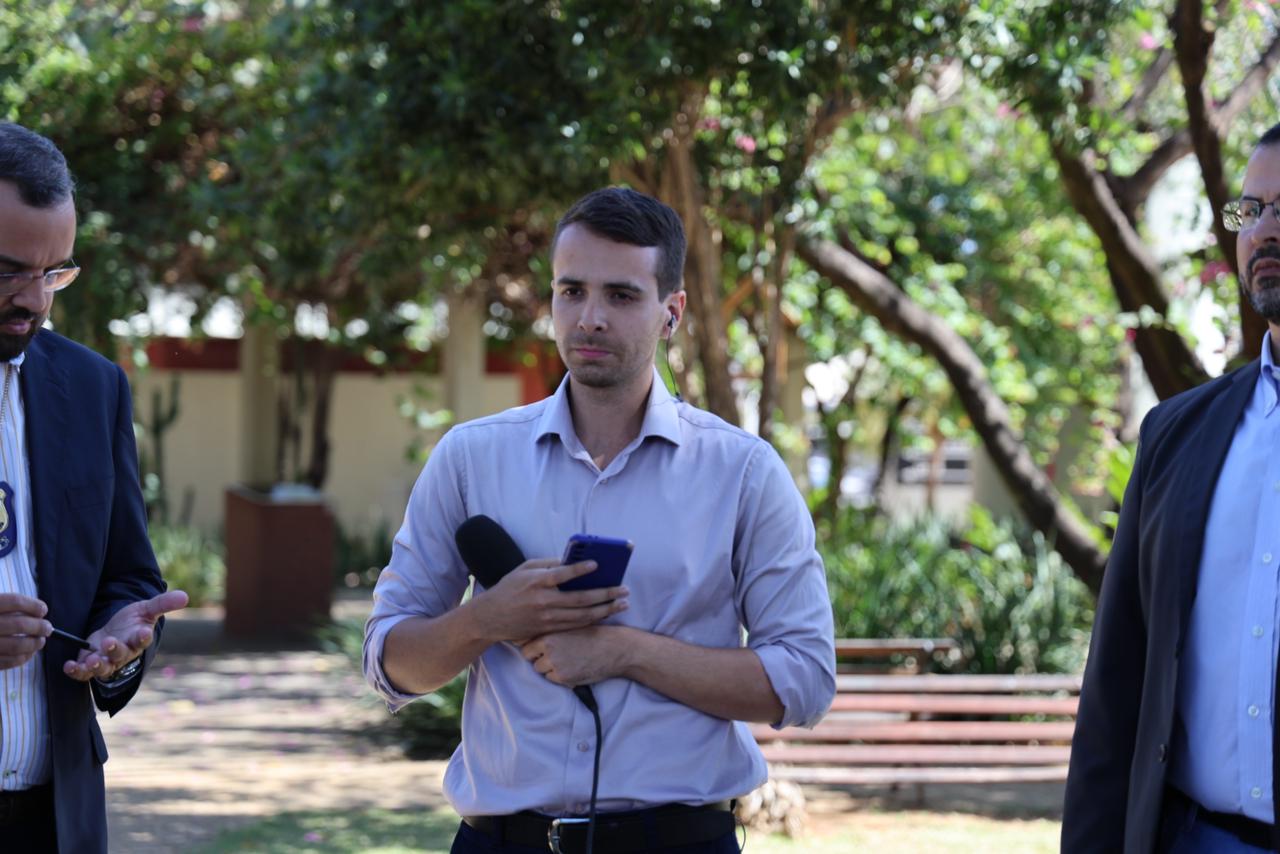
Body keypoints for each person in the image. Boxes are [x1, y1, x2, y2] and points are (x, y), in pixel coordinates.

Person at [365, 187, 835, 853]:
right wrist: (487, 619)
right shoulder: (469, 459)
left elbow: (805, 681)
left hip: (679, 842)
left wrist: (625, 652)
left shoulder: (744, 473)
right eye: (571, 291)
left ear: (670, 313)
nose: (589, 318)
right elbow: (390, 665)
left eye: (620, 296)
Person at [1063, 121, 1280, 853]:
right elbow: (1117, 681)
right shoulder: (1177, 435)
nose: (1263, 231)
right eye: (1251, 211)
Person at [0, 122, 188, 853]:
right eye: (9, 270)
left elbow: (127, 575)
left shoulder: (95, 387)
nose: (33, 300)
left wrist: (122, 639)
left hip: (58, 820)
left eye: (54, 274)